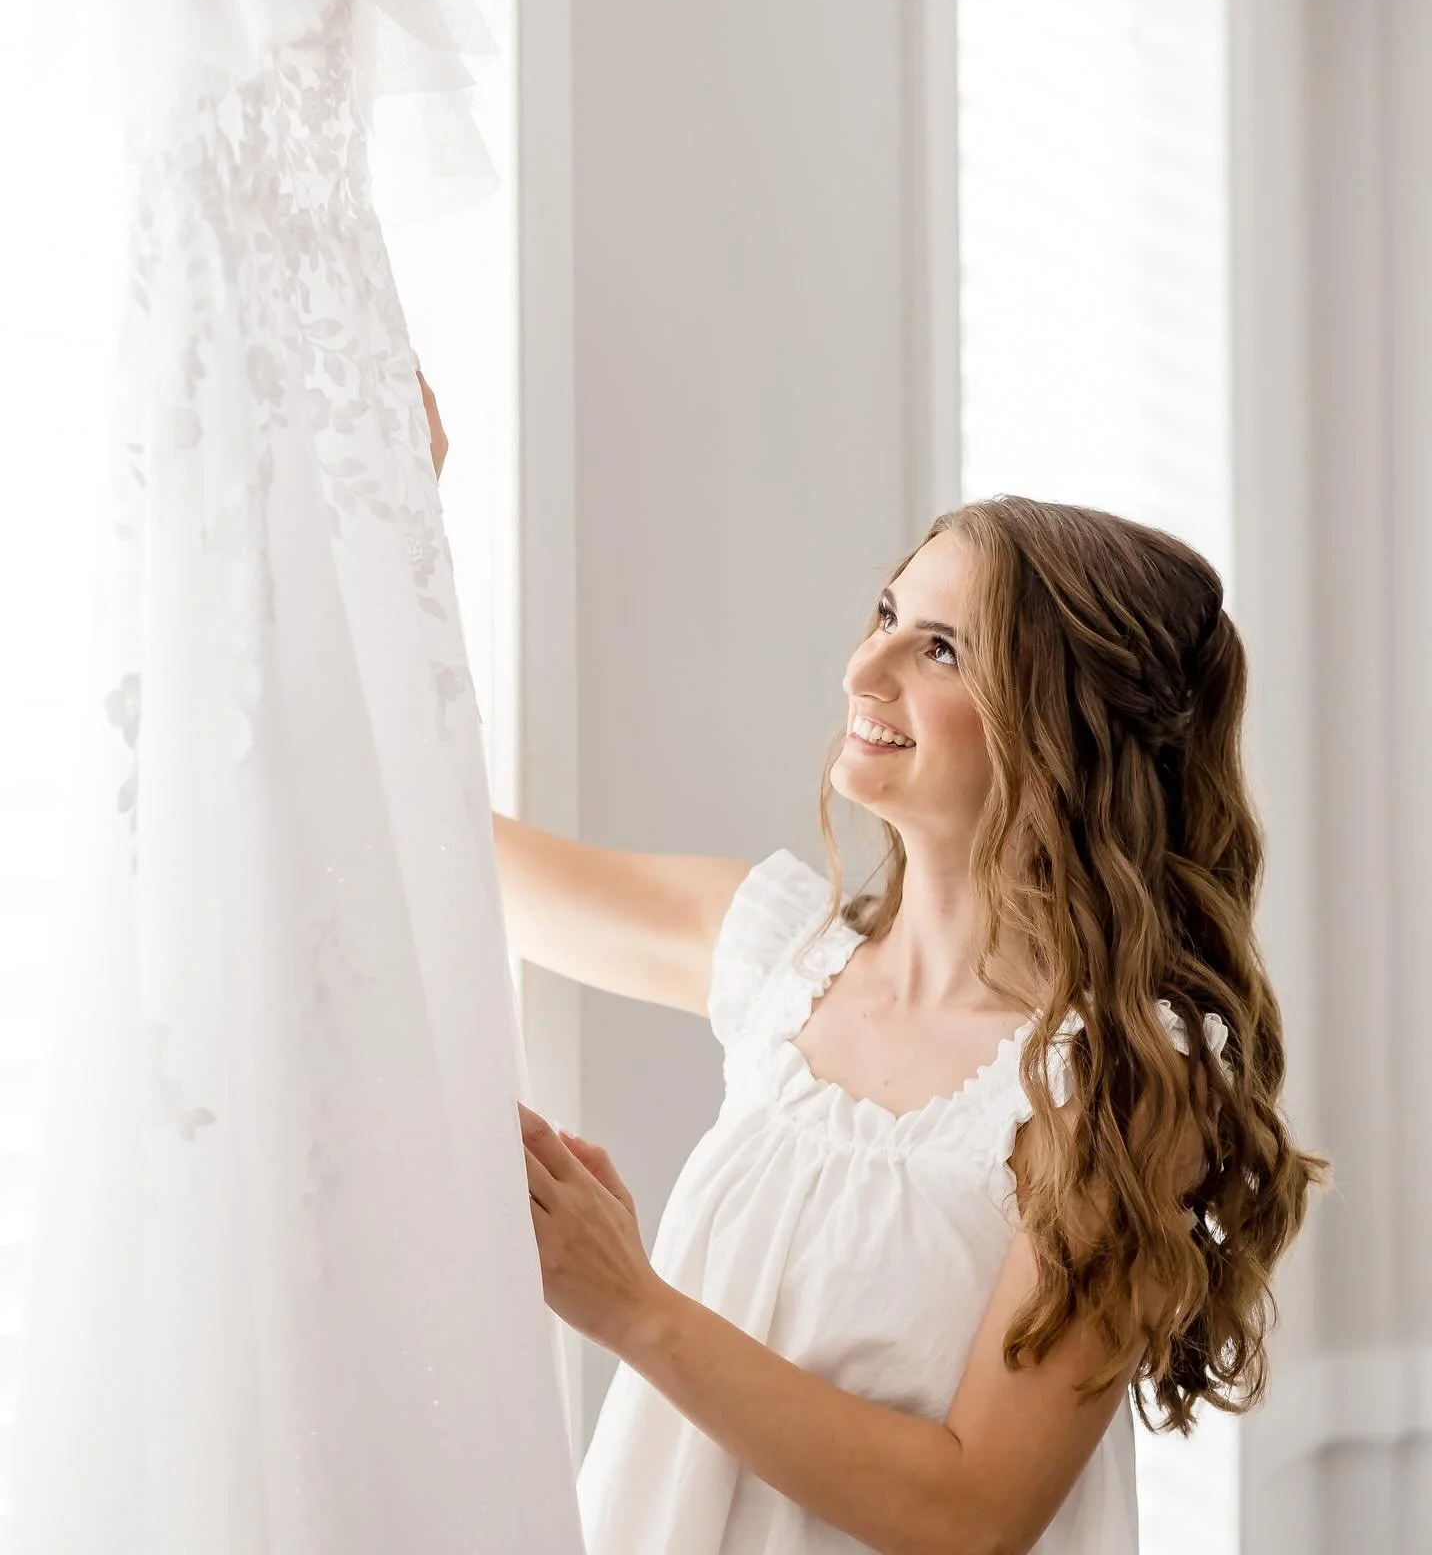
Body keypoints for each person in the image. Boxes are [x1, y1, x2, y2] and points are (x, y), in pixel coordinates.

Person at [429, 383, 1318, 1552]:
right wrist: (400, 511)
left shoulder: (1125, 1082)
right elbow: (442, 849)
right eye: (887, 614)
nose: (866, 668)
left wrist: (631, 1304)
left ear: (1060, 732)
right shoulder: (776, 956)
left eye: (940, 649)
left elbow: (974, 1512)